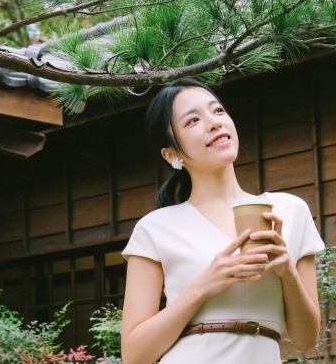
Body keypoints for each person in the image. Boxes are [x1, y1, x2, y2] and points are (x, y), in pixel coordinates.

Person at [120, 78, 324, 364]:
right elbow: (133, 354)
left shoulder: (289, 210)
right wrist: (204, 285)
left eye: (217, 111)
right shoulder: (155, 228)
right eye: (192, 120)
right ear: (171, 154)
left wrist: (287, 272)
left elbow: (306, 339)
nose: (214, 122)